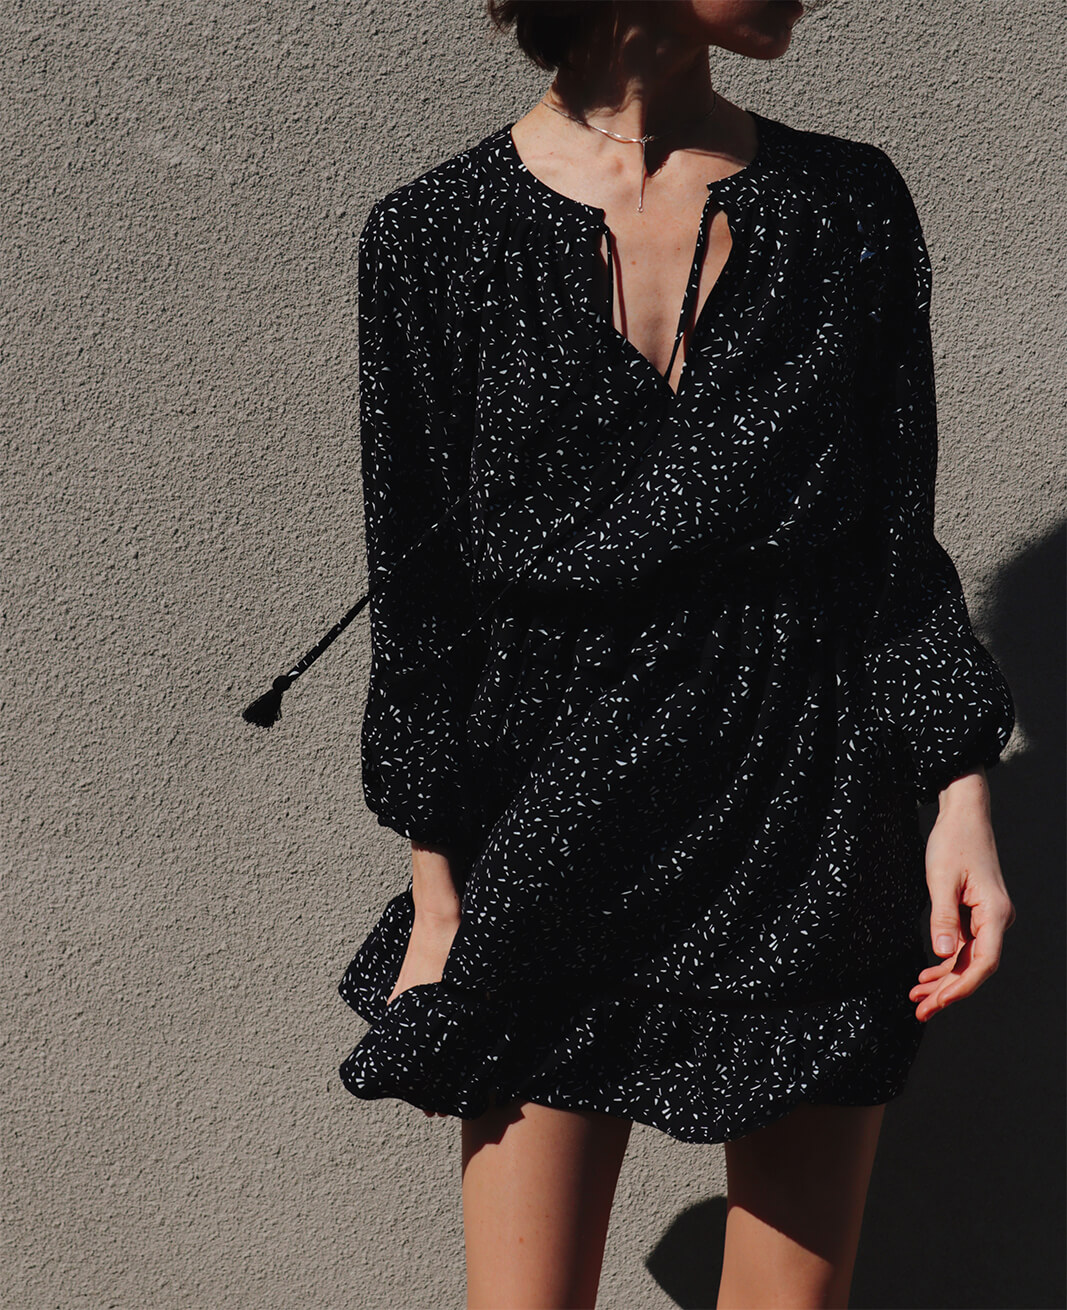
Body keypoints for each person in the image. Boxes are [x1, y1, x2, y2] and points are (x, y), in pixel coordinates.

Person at [334, 2, 1018, 1305]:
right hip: (552, 814)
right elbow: (421, 600)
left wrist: (959, 792)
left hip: (808, 810)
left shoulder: (844, 206)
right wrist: (437, 894)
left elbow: (891, 549)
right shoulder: (435, 233)